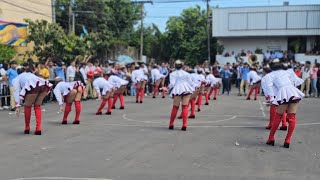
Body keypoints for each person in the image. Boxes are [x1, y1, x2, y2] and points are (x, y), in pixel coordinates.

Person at [262, 59, 304, 148]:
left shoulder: (270, 75)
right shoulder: (288, 71)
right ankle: (287, 141)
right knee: (292, 117)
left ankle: (271, 138)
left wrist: (272, 99)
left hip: (283, 93)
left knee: (278, 116)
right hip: (293, 91)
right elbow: (296, 81)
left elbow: (269, 88)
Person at [13, 69, 52, 135]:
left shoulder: (17, 78)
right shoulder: (31, 74)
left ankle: (27, 128)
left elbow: (16, 91)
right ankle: (38, 128)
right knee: (37, 106)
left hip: (33, 86)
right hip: (44, 85)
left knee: (27, 106)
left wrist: (17, 105)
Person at [168, 60, 194, 131]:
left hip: (178, 89)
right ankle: (184, 125)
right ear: (182, 66)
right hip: (186, 88)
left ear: (174, 66)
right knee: (185, 107)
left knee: (175, 107)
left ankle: (171, 124)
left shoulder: (172, 74)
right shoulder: (187, 74)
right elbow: (190, 83)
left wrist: (167, 88)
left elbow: (172, 84)